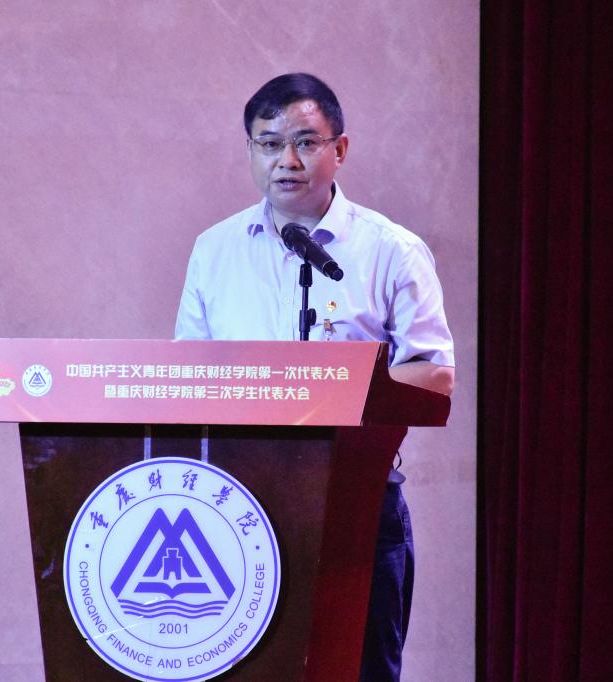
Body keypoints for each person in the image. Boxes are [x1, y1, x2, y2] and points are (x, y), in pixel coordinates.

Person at [174, 72, 454, 681]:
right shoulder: (214, 251)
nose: (288, 160)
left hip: (358, 500)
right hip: (239, 502)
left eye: (305, 142)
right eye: (269, 144)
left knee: (360, 669)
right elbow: (189, 378)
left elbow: (434, 375)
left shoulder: (391, 250)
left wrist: (343, 392)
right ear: (251, 151)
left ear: (340, 149)